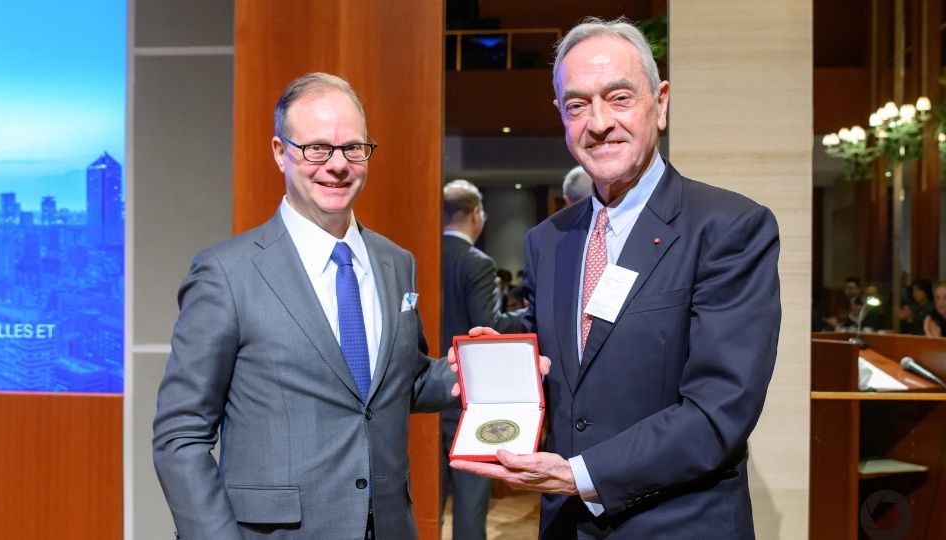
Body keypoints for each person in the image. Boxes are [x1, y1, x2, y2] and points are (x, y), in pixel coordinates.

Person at [451, 17, 781, 539]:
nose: (599, 122)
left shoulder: (728, 228)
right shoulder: (549, 240)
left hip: (678, 526)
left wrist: (581, 476)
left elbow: (719, 410)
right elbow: (568, 363)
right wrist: (504, 362)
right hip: (567, 526)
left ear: (661, 103)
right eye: (577, 105)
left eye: (619, 97)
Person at [152, 73, 457, 540]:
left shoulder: (396, 263)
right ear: (280, 152)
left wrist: (470, 371)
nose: (337, 165)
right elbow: (181, 435)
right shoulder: (226, 274)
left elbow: (401, 383)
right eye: (317, 148)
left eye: (352, 148)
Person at [440, 179, 524, 540]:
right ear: (476, 214)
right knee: (470, 499)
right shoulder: (477, 262)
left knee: (424, 497)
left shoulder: (417, 253)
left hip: (424, 390)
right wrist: (531, 316)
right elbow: (489, 326)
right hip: (468, 392)